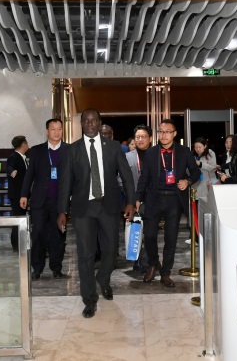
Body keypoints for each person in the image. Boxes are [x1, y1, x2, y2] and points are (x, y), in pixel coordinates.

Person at [58, 108, 135, 318]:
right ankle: (89, 299)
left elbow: (127, 177)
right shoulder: (72, 150)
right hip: (83, 209)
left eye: (94, 121)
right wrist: (62, 210)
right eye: (86, 120)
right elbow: (65, 183)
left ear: (99, 123)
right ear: (82, 123)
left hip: (108, 206)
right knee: (85, 254)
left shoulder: (113, 147)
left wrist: (130, 202)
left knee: (111, 251)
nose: (90, 124)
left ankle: (103, 277)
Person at [135, 119, 201, 288]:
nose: (163, 135)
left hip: (174, 200)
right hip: (154, 198)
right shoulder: (151, 153)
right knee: (149, 235)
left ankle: (165, 273)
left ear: (174, 134)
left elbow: (195, 171)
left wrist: (187, 181)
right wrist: (138, 198)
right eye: (161, 132)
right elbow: (144, 177)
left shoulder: (184, 152)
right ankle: (153, 263)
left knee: (170, 238)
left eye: (167, 132)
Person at [20, 119, 69, 280]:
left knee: (58, 235)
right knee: (38, 234)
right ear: (47, 131)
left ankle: (56, 268)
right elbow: (29, 175)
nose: (56, 132)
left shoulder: (69, 150)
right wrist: (24, 194)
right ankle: (37, 268)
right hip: (39, 201)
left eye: (59, 129)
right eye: (53, 129)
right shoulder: (36, 151)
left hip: (60, 201)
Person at [125, 124, 153, 273]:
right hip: (133, 201)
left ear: (150, 138)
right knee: (135, 232)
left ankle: (147, 263)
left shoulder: (155, 155)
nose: (140, 140)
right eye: (137, 137)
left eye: (143, 137)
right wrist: (131, 196)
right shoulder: (127, 156)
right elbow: (120, 178)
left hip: (151, 201)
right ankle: (137, 260)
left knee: (149, 233)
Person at [188, 137, 218, 245]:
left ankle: (206, 237)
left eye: (200, 147)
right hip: (196, 186)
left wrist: (200, 164)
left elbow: (213, 168)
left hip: (207, 186)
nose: (197, 149)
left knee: (206, 212)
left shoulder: (210, 154)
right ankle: (195, 236)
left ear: (205, 146)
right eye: (196, 147)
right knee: (195, 211)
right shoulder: (192, 155)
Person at [6, 135, 29, 252]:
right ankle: (16, 245)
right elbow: (9, 166)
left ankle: (20, 244)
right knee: (17, 220)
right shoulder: (14, 156)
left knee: (21, 219)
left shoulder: (22, 157)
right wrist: (12, 171)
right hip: (17, 195)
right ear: (23, 144)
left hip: (22, 195)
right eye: (27, 143)